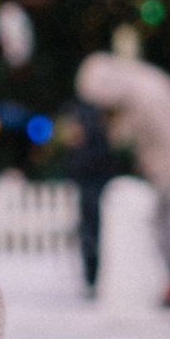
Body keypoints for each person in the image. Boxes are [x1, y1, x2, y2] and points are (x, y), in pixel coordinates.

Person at [72, 51, 170, 307]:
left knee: (162, 221)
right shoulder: (144, 83)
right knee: (164, 220)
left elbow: (148, 139)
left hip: (168, 165)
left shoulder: (139, 95)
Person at [61, 92, 113, 298]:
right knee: (92, 231)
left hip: (92, 183)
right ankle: (93, 277)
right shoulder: (96, 125)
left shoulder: (89, 129)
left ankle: (94, 277)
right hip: (92, 182)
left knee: (92, 232)